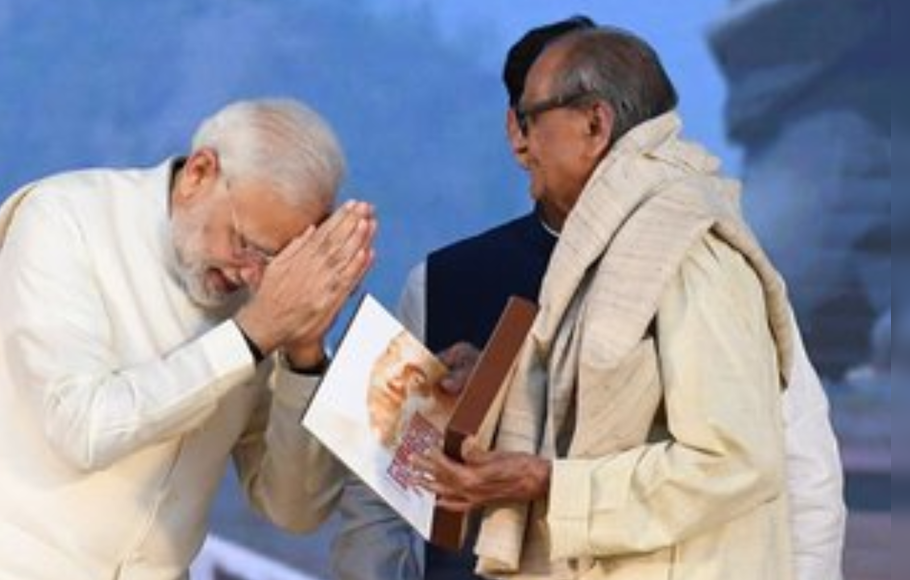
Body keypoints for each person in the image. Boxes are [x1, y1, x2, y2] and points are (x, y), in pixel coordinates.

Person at [333, 18, 845, 580]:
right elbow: (613, 396)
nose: (523, 141)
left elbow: (750, 461)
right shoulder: (462, 275)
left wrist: (547, 482)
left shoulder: (691, 249)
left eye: (533, 118)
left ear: (595, 124)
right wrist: (496, 381)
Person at [0, 98, 376, 580]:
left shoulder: (263, 301)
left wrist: (305, 355)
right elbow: (83, 429)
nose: (249, 272)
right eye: (245, 244)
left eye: (275, 260)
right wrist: (252, 337)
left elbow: (293, 509)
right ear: (200, 173)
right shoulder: (64, 218)